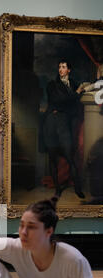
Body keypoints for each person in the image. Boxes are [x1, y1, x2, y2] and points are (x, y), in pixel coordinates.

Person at [43, 60, 85, 199]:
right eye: (59, 67)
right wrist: (76, 94)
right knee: (52, 157)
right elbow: (59, 100)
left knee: (69, 156)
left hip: (64, 123)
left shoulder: (74, 84)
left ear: (69, 70)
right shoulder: (52, 85)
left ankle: (78, 189)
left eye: (64, 67)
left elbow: (72, 104)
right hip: (51, 123)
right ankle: (57, 189)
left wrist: (75, 95)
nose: (61, 69)